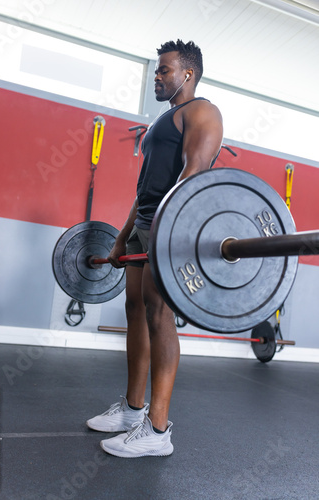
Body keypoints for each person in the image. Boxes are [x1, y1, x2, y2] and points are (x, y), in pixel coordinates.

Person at [86, 39, 223, 458]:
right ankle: (131, 410)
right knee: (136, 312)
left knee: (160, 314)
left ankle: (158, 431)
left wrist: (165, 230)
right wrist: (122, 237)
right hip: (145, 224)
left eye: (164, 70)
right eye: (156, 70)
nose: (156, 77)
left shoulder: (202, 112)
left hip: (172, 226)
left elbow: (193, 173)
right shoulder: (161, 123)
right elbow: (143, 189)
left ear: (188, 73)